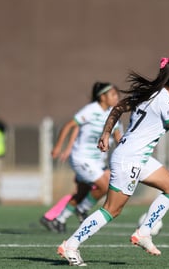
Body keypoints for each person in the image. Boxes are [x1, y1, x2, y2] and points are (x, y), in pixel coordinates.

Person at [56, 54, 169, 266]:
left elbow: (116, 109)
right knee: (111, 210)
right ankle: (71, 245)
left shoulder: (146, 93)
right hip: (130, 160)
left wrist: (106, 134)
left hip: (137, 157)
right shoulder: (166, 101)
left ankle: (144, 231)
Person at [40, 82, 122, 233]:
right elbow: (69, 126)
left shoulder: (113, 112)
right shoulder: (91, 110)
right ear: (102, 97)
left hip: (97, 161)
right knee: (106, 185)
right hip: (82, 158)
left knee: (82, 192)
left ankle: (59, 219)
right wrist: (58, 147)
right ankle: (82, 209)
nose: (117, 97)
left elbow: (118, 136)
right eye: (113, 94)